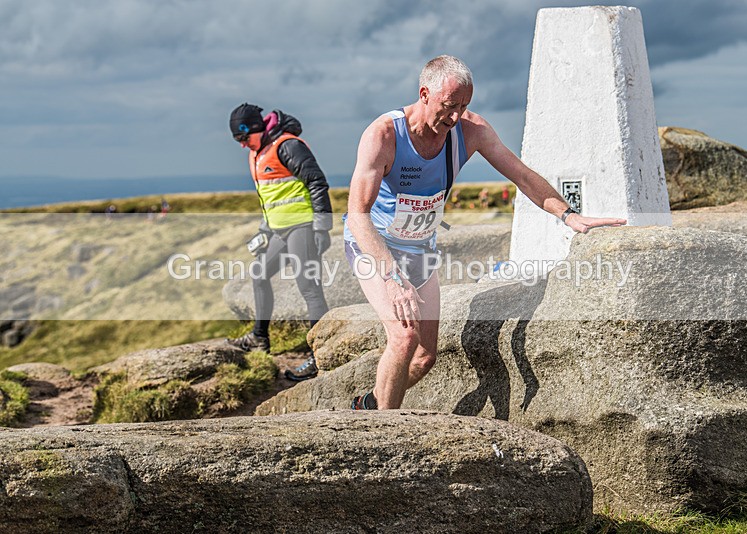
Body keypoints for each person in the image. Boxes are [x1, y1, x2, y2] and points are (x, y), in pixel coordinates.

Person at [343, 55, 626, 410]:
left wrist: (568, 215)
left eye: (464, 106)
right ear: (424, 93)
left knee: (423, 358)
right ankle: (382, 436)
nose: (455, 116)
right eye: (449, 106)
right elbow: (358, 215)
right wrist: (392, 279)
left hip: (419, 250)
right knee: (403, 336)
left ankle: (368, 405)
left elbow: (521, 175)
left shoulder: (470, 130)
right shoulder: (384, 134)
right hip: (376, 248)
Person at [227, 103, 333, 381]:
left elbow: (317, 182)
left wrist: (322, 228)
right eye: (237, 141)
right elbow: (270, 197)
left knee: (309, 288)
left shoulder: (288, 146)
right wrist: (264, 230)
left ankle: (320, 357)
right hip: (278, 231)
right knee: (259, 275)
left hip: (303, 228)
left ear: (256, 128)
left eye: (243, 138)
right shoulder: (258, 152)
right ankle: (260, 338)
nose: (242, 146)